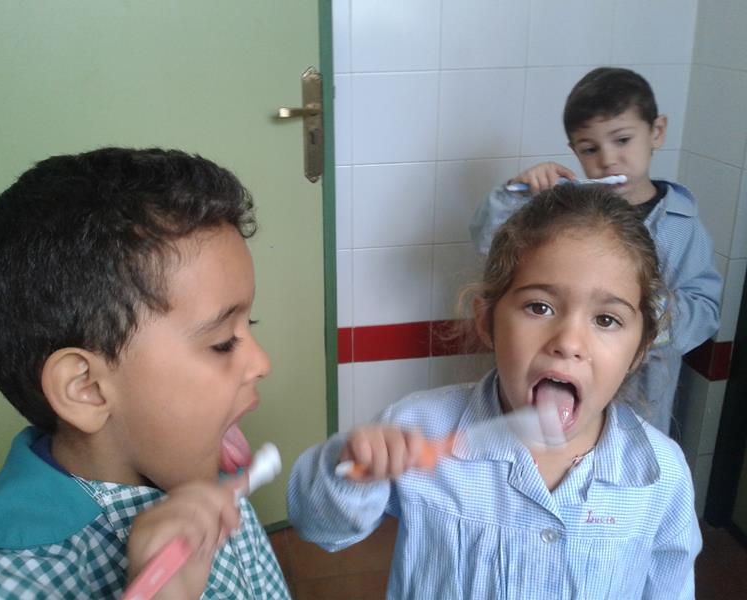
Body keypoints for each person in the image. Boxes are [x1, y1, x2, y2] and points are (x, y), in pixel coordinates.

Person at [288, 185, 701, 599]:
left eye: (606, 320)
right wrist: (351, 469)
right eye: (540, 307)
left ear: (639, 349)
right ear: (487, 321)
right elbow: (318, 528)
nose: (569, 342)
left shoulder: (661, 476)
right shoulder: (416, 427)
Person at [0, 148, 290, 599]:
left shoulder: (200, 465)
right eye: (223, 341)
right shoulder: (8, 585)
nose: (261, 363)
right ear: (86, 388)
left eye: (250, 325)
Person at [470, 66, 722, 435]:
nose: (608, 160)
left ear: (657, 132)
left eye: (622, 140)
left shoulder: (682, 227)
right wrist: (516, 193)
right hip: (554, 387)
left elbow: (705, 311)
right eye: (590, 149)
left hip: (642, 403)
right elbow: (487, 241)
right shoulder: (564, 214)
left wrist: (640, 315)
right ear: (574, 151)